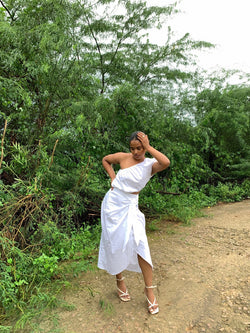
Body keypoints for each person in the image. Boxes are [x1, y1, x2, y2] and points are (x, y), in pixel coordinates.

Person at [97, 131, 170, 314]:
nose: (136, 152)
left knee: (140, 243)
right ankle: (119, 280)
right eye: (133, 148)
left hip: (130, 205)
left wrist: (149, 147)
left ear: (144, 147)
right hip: (112, 205)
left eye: (139, 148)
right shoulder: (123, 157)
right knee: (114, 243)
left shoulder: (149, 165)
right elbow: (106, 159)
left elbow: (166, 162)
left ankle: (149, 291)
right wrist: (113, 177)